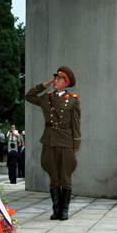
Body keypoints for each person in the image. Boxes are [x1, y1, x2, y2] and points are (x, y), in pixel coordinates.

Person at [25, 66, 80, 221]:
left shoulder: (73, 100)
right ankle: (56, 209)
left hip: (66, 141)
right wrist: (44, 84)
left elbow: (76, 124)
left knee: (66, 176)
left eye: (59, 79)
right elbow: (29, 96)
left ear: (66, 82)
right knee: (53, 176)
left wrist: (76, 143)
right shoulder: (46, 98)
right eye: (55, 78)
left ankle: (64, 210)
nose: (55, 81)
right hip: (49, 140)